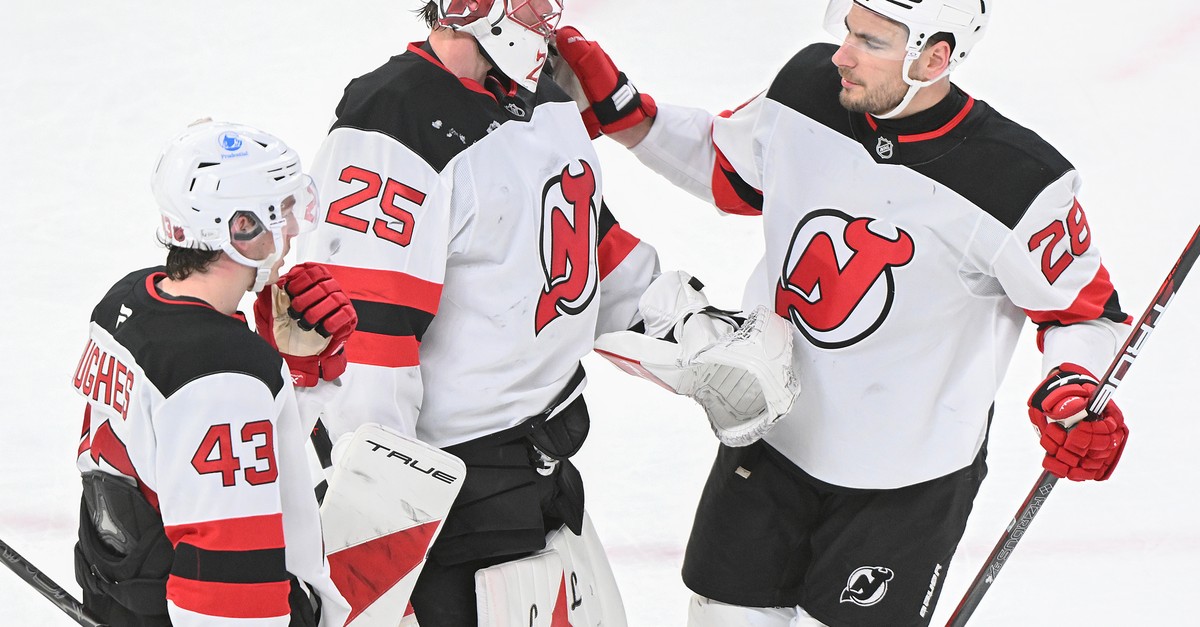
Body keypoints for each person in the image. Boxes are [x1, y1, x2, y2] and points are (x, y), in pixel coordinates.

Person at [551, 0, 1134, 625]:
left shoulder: (1017, 180)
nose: (842, 55)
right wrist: (625, 114)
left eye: (872, 43)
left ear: (935, 57)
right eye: (848, 32)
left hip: (907, 485)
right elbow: (729, 170)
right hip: (770, 438)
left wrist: (1075, 386)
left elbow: (1082, 313)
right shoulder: (807, 88)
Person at [293, 1, 798, 625]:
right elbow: (367, 343)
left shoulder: (545, 94)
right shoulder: (389, 126)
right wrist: (380, 535)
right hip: (454, 503)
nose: (550, 13)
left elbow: (577, 235)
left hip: (546, 477)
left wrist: (680, 323)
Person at [71, 120, 357, 626]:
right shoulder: (220, 373)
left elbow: (175, 457)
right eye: (282, 212)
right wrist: (258, 372)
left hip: (123, 590)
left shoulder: (128, 301)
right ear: (241, 228)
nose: (292, 229)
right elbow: (229, 592)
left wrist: (291, 376)